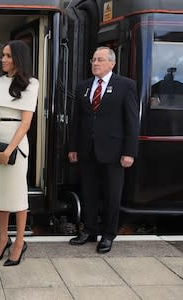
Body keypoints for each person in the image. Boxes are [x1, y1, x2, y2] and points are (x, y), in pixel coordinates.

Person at [68, 46, 139, 253]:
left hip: (115, 152)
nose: (95, 63)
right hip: (87, 150)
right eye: (93, 59)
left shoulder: (126, 86)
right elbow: (77, 121)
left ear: (111, 63)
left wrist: (130, 152)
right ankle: (89, 230)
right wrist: (73, 147)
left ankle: (108, 235)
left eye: (100, 60)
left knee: (112, 195)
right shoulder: (83, 86)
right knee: (88, 192)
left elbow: (132, 121)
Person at [0, 40, 39, 266]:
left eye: (8, 55)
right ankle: (3, 239)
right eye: (2, 55)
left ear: (18, 58)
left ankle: (19, 243)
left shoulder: (31, 84)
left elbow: (25, 124)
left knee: (17, 196)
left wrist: (8, 150)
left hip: (15, 145)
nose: (3, 59)